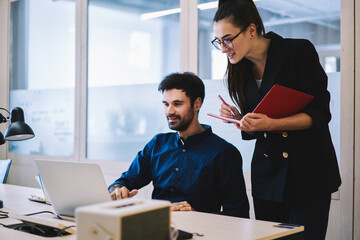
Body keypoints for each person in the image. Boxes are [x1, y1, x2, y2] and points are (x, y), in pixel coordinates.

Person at [212, 0, 341, 239]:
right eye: (218, 42)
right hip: (268, 176)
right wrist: (241, 119)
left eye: (227, 39)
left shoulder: (297, 51)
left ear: (251, 30)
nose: (223, 49)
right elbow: (259, 122)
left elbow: (320, 114)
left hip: (308, 171)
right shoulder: (238, 69)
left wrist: (271, 124)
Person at [108, 72, 249, 218]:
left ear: (197, 104)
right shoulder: (157, 144)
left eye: (177, 104)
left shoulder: (224, 153)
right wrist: (117, 190)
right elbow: (123, 182)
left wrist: (197, 215)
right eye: (166, 104)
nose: (169, 111)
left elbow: (238, 214)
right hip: (156, 227)